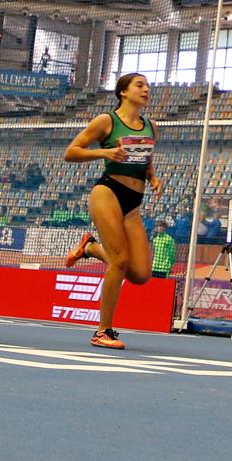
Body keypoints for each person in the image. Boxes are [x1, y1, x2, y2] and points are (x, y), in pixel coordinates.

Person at [61, 73, 162, 349]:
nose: (146, 89)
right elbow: (71, 152)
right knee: (119, 261)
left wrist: (152, 177)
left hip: (134, 202)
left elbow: (146, 157)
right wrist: (104, 153)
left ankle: (91, 248)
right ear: (123, 92)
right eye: (139, 85)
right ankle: (103, 331)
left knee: (140, 274)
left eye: (147, 86)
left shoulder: (151, 126)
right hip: (107, 192)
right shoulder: (107, 121)